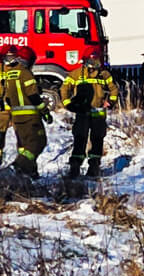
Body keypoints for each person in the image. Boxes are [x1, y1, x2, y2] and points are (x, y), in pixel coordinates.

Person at [61, 54, 116, 178]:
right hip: (82, 112)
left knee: (97, 140)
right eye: (90, 61)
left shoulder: (104, 74)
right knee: (80, 139)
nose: (93, 64)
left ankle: (94, 167)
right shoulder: (76, 74)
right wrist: (68, 103)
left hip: (98, 113)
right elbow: (64, 89)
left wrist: (111, 102)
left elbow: (113, 89)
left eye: (95, 61)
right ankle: (75, 167)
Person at [0, 45, 50, 180]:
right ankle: (16, 167)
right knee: (37, 143)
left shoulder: (9, 73)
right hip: (30, 116)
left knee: (23, 145)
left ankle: (30, 172)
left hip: (16, 116)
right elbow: (33, 95)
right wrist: (45, 111)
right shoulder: (25, 72)